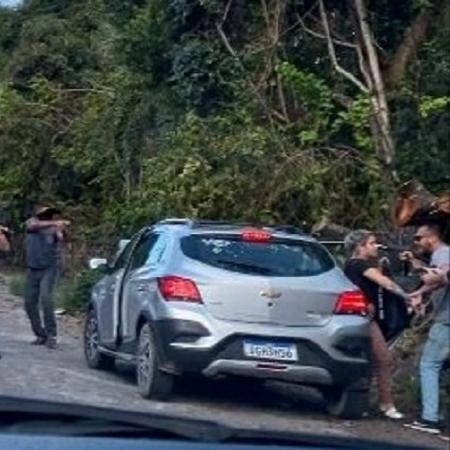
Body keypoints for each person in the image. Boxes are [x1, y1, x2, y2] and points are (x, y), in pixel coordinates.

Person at [344, 230, 410, 420]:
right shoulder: (358, 264)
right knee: (383, 358)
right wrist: (409, 298)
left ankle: (370, 402)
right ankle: (386, 404)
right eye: (372, 243)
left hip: (365, 317)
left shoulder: (357, 266)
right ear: (360, 247)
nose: (376, 246)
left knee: (372, 360)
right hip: (364, 318)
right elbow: (385, 283)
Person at [404, 224, 449, 436]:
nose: (417, 242)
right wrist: (420, 292)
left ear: (430, 237)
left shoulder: (443, 253)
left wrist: (419, 284)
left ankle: (429, 418)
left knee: (429, 364)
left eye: (418, 238)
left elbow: (436, 279)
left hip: (447, 320)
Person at [24, 205, 70, 349]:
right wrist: (56, 223)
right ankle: (40, 334)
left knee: (46, 299)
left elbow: (64, 239)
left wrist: (61, 231)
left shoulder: (53, 228)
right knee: (29, 303)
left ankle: (51, 335)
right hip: (32, 268)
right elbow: (32, 226)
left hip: (49, 268)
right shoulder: (32, 222)